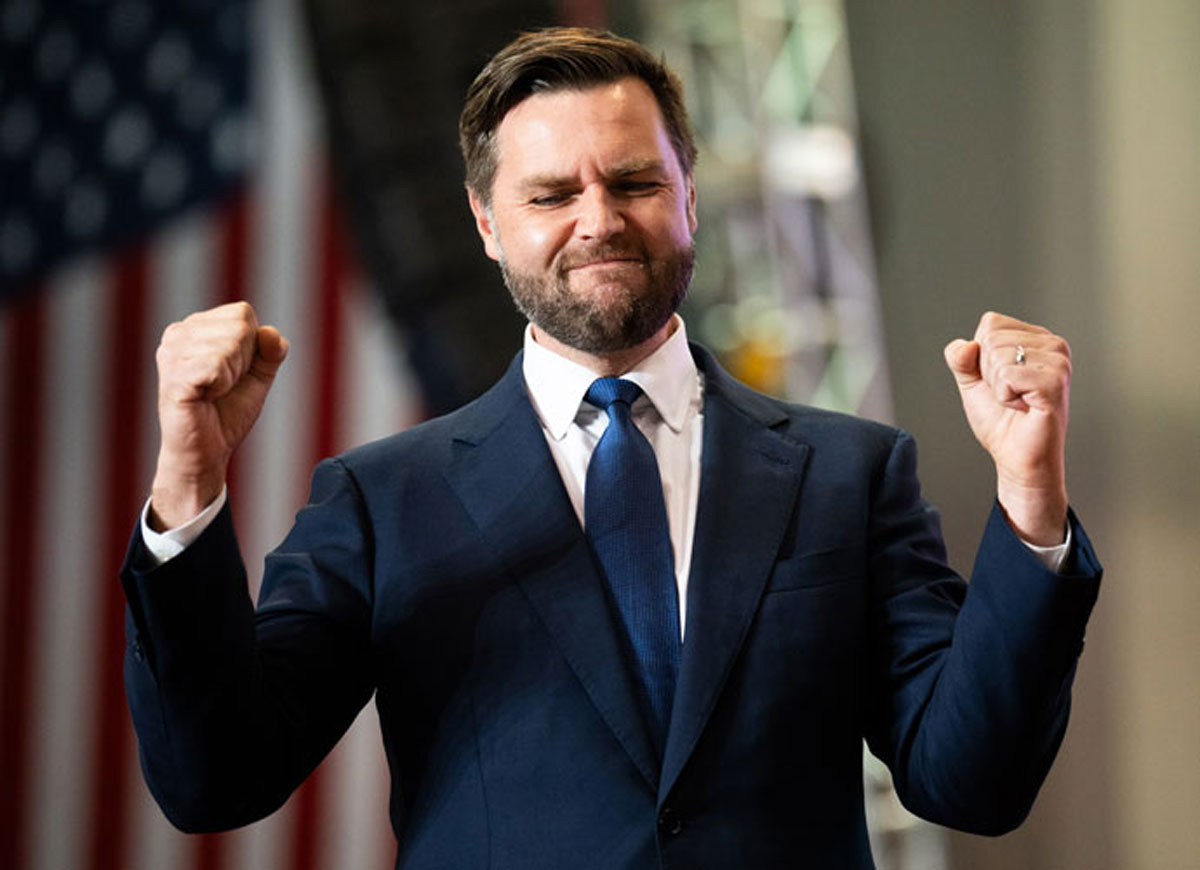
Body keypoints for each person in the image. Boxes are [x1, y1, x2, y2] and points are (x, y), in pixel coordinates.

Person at [122, 27, 1102, 869]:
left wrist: (1030, 500)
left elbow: (971, 781)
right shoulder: (383, 500)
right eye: (551, 195)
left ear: (690, 200)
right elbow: (218, 781)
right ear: (486, 224)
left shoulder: (851, 474)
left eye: (633, 181)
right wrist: (187, 485)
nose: (599, 221)